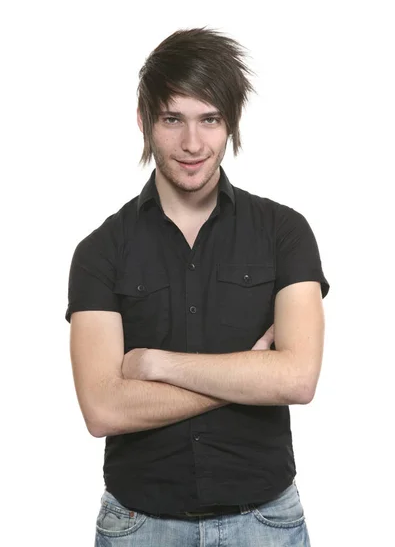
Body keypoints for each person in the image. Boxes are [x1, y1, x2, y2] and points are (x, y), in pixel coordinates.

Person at [65, 27, 330, 546]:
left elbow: (297, 379)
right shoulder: (99, 252)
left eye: (209, 119)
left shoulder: (284, 233)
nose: (192, 143)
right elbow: (103, 410)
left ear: (229, 123)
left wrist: (158, 365)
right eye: (173, 119)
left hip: (265, 524)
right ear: (144, 123)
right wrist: (250, 375)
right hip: (140, 527)